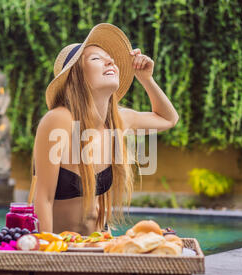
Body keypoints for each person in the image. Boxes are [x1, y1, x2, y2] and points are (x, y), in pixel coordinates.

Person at [32, 23, 179, 235]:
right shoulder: (59, 119)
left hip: (98, 246)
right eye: (95, 58)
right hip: (62, 250)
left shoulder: (118, 120)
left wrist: (146, 79)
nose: (110, 60)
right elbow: (43, 200)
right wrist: (47, 256)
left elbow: (168, 119)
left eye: (109, 57)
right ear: (77, 77)